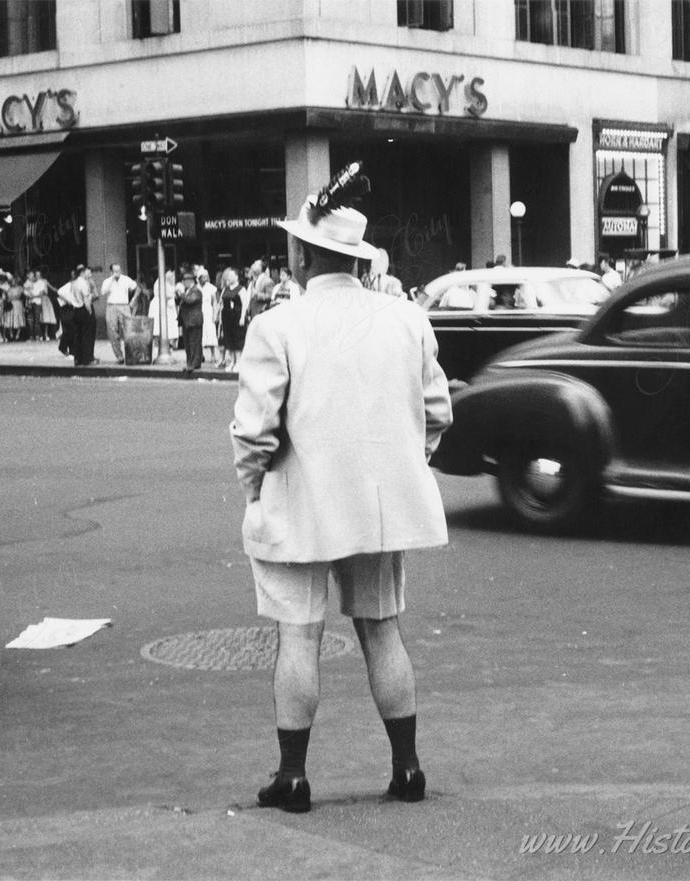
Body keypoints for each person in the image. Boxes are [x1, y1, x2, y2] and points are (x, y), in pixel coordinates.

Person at [230, 166, 453, 813]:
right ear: (356, 258)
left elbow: (254, 432)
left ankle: (293, 775)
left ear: (301, 254)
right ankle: (407, 766)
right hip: (377, 507)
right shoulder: (406, 318)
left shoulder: (278, 325)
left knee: (298, 636)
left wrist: (255, 490)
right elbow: (436, 412)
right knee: (383, 630)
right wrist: (403, 463)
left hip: (301, 501)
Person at [101, 262, 139, 364]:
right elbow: (103, 292)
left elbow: (137, 288)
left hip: (124, 306)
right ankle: (119, 356)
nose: (117, 273)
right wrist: (112, 278)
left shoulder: (126, 279)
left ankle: (131, 355)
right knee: (112, 332)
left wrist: (133, 300)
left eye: (118, 270)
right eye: (114, 271)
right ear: (111, 272)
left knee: (129, 330)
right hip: (111, 306)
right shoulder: (107, 281)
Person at [218, 267, 248, 371]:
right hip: (226, 317)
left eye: (231, 276)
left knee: (237, 339)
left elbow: (245, 304)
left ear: (236, 276)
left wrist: (242, 317)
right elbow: (221, 303)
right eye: (228, 276)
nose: (229, 278)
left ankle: (238, 362)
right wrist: (220, 320)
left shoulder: (241, 289)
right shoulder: (225, 289)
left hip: (237, 315)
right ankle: (231, 362)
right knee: (228, 339)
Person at [69, 264, 98, 366]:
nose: (88, 273)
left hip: (76, 310)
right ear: (82, 272)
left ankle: (78, 359)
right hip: (84, 310)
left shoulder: (74, 283)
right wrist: (89, 311)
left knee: (78, 336)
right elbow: (86, 300)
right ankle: (87, 359)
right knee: (87, 336)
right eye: (86, 272)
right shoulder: (83, 284)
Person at [176, 270, 204, 372]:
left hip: (194, 320)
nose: (183, 283)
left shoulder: (196, 291)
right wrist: (178, 294)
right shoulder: (187, 291)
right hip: (186, 320)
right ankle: (190, 363)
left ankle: (195, 363)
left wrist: (182, 293)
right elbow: (179, 301)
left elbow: (190, 301)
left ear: (189, 281)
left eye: (184, 281)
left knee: (194, 343)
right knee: (187, 344)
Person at [150, 269, 180, 354]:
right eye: (170, 273)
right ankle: (157, 351)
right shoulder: (160, 282)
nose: (172, 275)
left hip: (168, 309)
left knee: (169, 330)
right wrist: (175, 289)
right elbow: (166, 294)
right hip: (160, 307)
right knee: (159, 329)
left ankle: (168, 349)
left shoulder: (168, 282)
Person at [197, 268, 219, 365]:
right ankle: (200, 355)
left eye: (206, 276)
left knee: (210, 333)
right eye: (203, 277)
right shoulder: (196, 287)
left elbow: (214, 301)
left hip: (208, 311)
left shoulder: (211, 287)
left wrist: (215, 314)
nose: (205, 279)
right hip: (198, 311)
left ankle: (213, 355)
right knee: (200, 333)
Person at [32, 268, 58, 341]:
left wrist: (59, 291)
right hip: (39, 300)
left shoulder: (44, 281)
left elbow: (51, 288)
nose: (37, 276)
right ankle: (40, 334)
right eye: (36, 275)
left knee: (46, 317)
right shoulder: (33, 283)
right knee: (39, 318)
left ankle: (46, 334)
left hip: (45, 299)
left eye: (39, 275)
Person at [56, 270, 76, 357]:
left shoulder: (76, 286)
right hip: (66, 309)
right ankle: (65, 348)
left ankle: (70, 349)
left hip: (73, 308)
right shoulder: (66, 287)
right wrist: (68, 301)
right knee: (69, 330)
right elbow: (59, 292)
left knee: (72, 330)